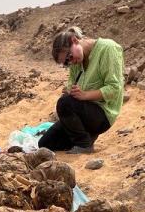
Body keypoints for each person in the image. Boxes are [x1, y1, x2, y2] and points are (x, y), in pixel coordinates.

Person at [38, 27, 124, 155]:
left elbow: (114, 89)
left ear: (75, 40)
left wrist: (84, 95)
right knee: (45, 144)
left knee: (64, 103)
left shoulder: (108, 48)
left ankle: (84, 145)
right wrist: (71, 91)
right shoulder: (77, 62)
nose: (71, 63)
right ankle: (86, 137)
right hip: (82, 114)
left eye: (69, 57)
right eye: (66, 63)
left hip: (102, 114)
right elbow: (71, 85)